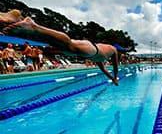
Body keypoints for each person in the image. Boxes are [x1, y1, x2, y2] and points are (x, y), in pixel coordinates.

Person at [4, 17, 132, 85]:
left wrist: (112, 78)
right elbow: (115, 66)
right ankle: (33, 25)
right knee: (68, 44)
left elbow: (103, 69)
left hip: (89, 49)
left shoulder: (103, 56)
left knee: (56, 44)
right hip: (91, 49)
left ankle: (17, 21)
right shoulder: (113, 50)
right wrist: (115, 77)